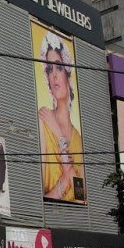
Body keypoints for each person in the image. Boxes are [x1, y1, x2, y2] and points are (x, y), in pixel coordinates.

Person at [37, 31, 85, 202]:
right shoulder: (42, 120)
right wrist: (67, 179)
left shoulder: (79, 139)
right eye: (49, 69)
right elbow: (42, 197)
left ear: (68, 74)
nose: (54, 75)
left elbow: (81, 195)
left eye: (58, 67)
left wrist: (59, 135)